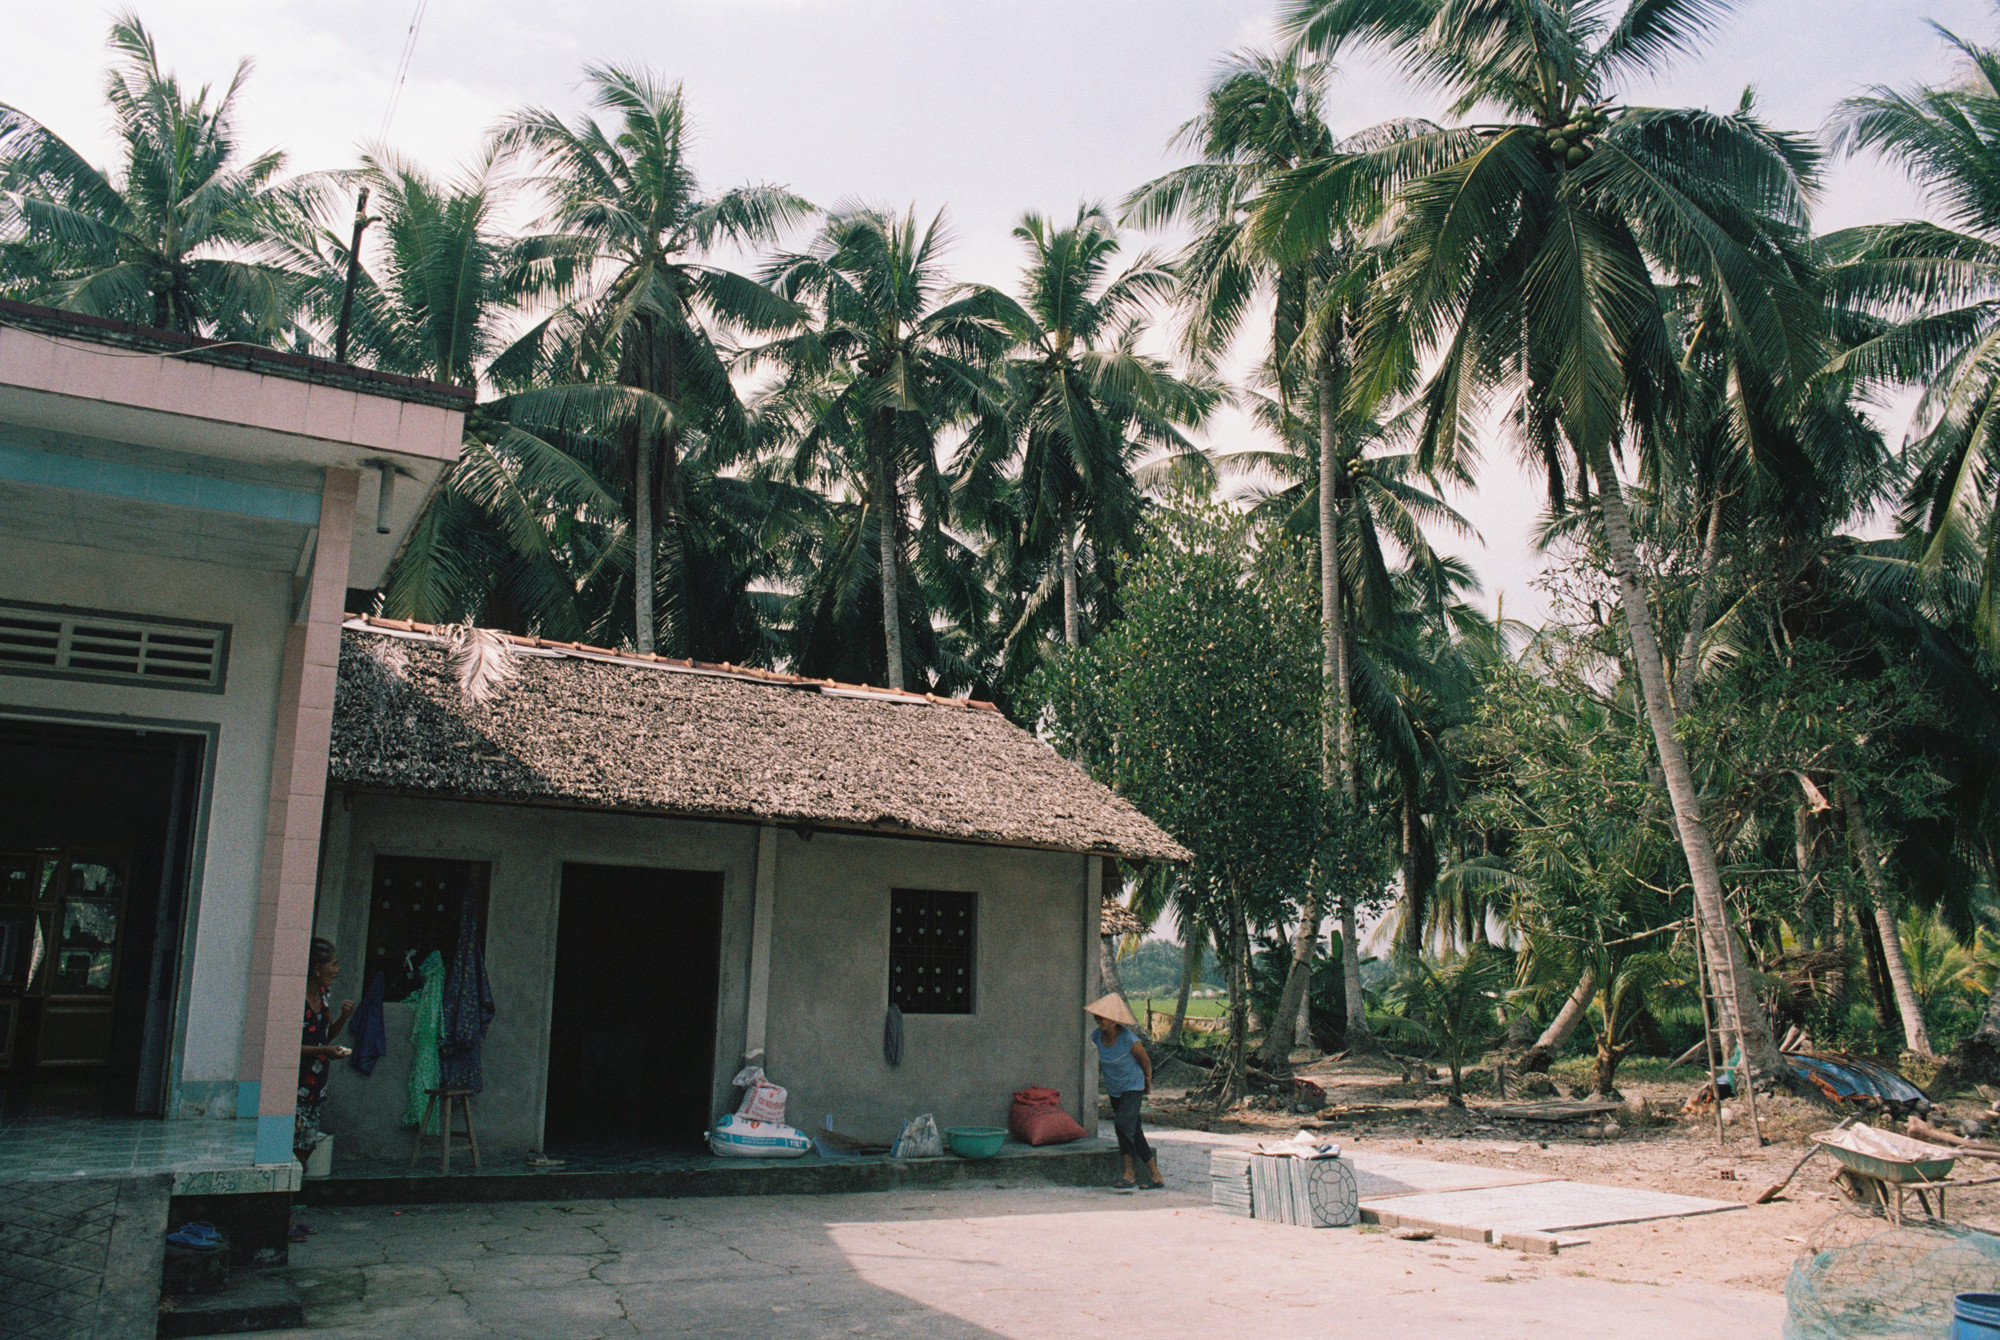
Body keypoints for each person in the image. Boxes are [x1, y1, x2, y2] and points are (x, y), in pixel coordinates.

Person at [295, 937, 354, 1237]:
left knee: (305, 1148)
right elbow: (290, 1046)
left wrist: (343, 1018)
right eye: (332, 964)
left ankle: (290, 1215)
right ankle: (284, 1217)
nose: (336, 969)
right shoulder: (296, 997)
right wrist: (322, 1052)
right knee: (294, 1151)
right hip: (295, 1085)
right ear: (317, 968)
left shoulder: (324, 995)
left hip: (316, 1084)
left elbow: (324, 1037)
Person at [1087, 992, 1162, 1191]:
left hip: (1133, 1088)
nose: (1098, 1020)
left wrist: (1147, 1084)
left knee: (1122, 1125)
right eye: (1097, 1016)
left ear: (1114, 1018)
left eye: (1102, 1016)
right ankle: (1155, 1175)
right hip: (1115, 1090)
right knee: (1134, 1131)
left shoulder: (1129, 1040)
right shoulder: (1096, 1037)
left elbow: (1145, 1062)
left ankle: (1129, 1173)